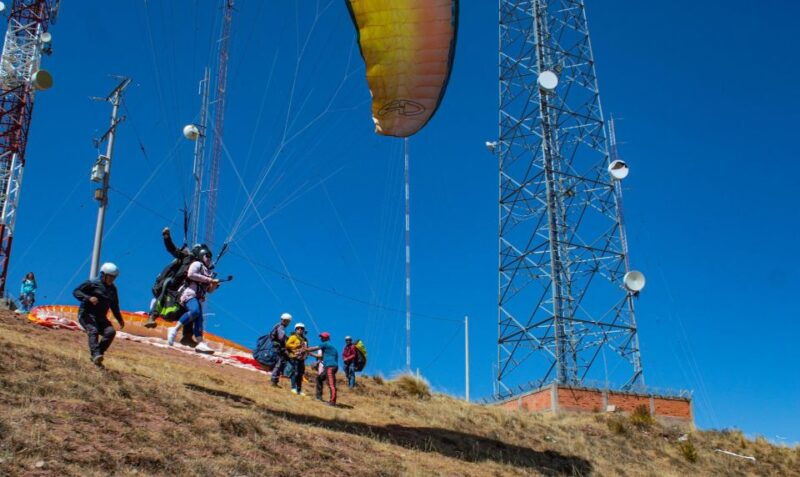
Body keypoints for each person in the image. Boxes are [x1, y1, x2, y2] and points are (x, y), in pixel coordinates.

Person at [145, 228, 203, 350]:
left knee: (191, 310)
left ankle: (187, 337)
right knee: (166, 290)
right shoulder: (186, 257)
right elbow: (172, 249)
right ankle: (152, 316)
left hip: (183, 290)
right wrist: (167, 237)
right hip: (173, 285)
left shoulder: (200, 266)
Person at [166, 246, 219, 354]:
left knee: (199, 320)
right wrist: (209, 279)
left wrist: (214, 284)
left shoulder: (208, 272)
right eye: (207, 256)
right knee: (195, 311)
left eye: (210, 257)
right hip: (189, 294)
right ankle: (174, 329)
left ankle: (200, 343)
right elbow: (191, 274)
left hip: (198, 298)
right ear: (201, 255)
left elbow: (209, 291)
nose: (209, 259)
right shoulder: (197, 264)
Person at [72, 263, 125, 366]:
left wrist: (120, 319)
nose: (112, 279)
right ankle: (96, 354)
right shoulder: (92, 283)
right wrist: (89, 298)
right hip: (86, 314)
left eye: (114, 277)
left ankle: (97, 355)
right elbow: (76, 291)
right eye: (110, 276)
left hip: (101, 317)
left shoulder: (113, 289)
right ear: (103, 274)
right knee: (93, 330)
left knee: (110, 332)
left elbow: (114, 305)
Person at [310, 332, 338, 406]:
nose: (321, 338)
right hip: (330, 366)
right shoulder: (330, 347)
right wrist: (310, 353)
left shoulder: (325, 344)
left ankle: (332, 402)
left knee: (331, 384)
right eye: (321, 337)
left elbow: (314, 348)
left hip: (330, 367)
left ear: (327, 338)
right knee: (319, 378)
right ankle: (318, 397)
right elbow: (320, 356)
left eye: (323, 337)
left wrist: (306, 349)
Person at [284, 322, 310, 395]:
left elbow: (306, 347)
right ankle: (293, 388)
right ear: (295, 329)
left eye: (301, 328)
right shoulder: (293, 337)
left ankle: (299, 390)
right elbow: (287, 344)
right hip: (294, 357)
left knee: (300, 374)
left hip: (302, 358)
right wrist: (296, 345)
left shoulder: (305, 339)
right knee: (295, 373)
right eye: (298, 328)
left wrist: (306, 353)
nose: (300, 330)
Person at [269, 312, 293, 387]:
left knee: (278, 364)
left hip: (276, 347)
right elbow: (281, 338)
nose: (288, 323)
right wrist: (288, 340)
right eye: (288, 321)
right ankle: (274, 381)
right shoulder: (281, 327)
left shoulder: (277, 325)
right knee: (278, 364)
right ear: (286, 321)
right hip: (278, 348)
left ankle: (275, 380)